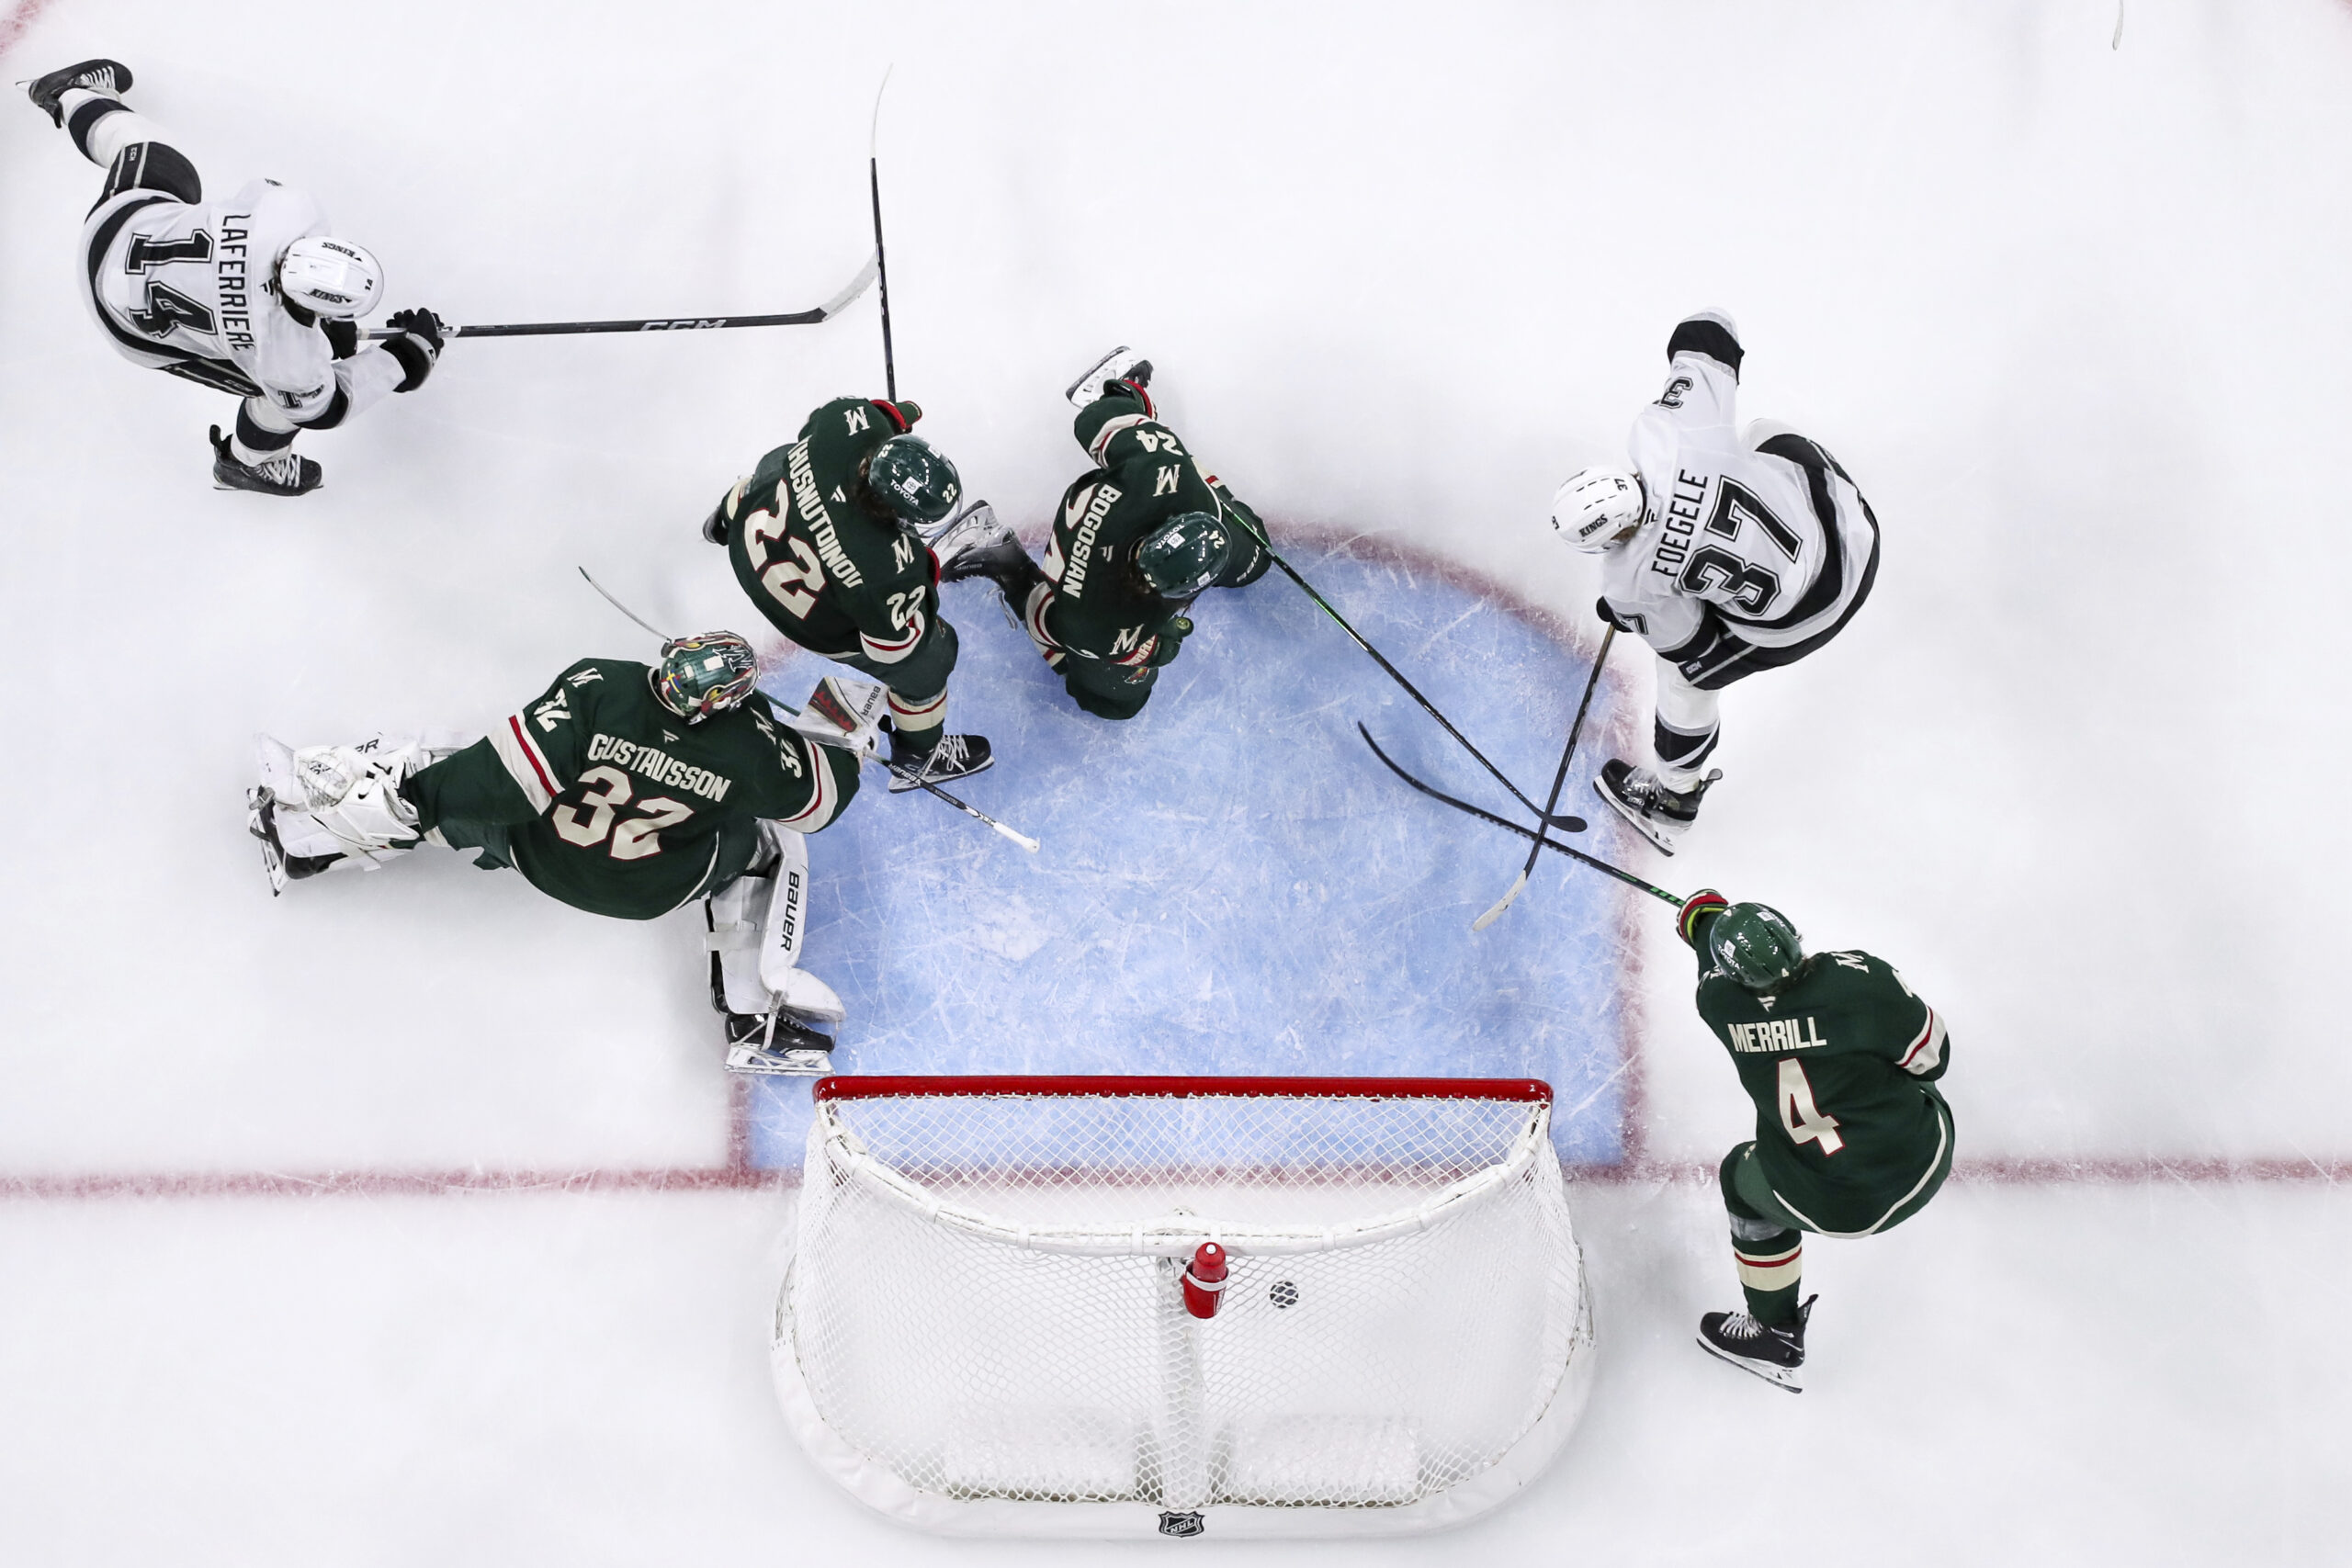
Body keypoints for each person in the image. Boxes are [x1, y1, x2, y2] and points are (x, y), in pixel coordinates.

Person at [246, 635, 871, 1076]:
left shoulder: (603, 684)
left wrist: (413, 799)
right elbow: (819, 804)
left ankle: (316, 838)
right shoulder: (748, 744)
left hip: (540, 850)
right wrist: (843, 745)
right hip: (655, 884)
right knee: (768, 842)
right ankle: (753, 1013)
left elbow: (500, 780)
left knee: (453, 772)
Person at [26, 60, 446, 496]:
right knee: (281, 401)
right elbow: (323, 409)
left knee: (155, 151)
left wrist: (323, 330)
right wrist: (405, 359)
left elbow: (256, 205)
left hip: (118, 232)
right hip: (128, 326)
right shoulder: (287, 358)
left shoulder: (291, 210)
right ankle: (250, 462)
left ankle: (72, 95)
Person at [1550, 311, 1881, 852]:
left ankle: (1676, 801)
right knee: (1759, 435)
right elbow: (1710, 334)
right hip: (1849, 524)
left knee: (1686, 678)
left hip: (1815, 609)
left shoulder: (1629, 579)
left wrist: (1638, 614)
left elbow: (1694, 645)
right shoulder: (1670, 438)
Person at [1673, 889, 1954, 1392]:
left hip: (1835, 1205)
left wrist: (1701, 920)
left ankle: (1774, 1330)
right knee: (1904, 1062)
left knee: (1738, 1178)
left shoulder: (1717, 1003)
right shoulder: (1863, 980)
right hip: (1925, 1157)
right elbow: (1936, 1059)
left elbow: (1710, 967)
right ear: (1795, 941)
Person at [934, 349, 1270, 721]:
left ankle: (1125, 393)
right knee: (1116, 702)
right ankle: (1004, 558)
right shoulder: (1100, 624)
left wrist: (1124, 399)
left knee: (1257, 557)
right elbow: (1060, 624)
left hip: (1134, 504)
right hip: (1080, 584)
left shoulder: (1158, 469)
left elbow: (1095, 420)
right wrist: (1164, 642)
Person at [701, 395, 994, 791]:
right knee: (931, 660)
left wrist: (890, 421)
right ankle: (920, 756)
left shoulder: (844, 421)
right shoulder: (886, 568)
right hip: (800, 615)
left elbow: (870, 415)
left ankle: (721, 521)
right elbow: (890, 648)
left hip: (748, 537)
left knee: (779, 463)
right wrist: (925, 577)